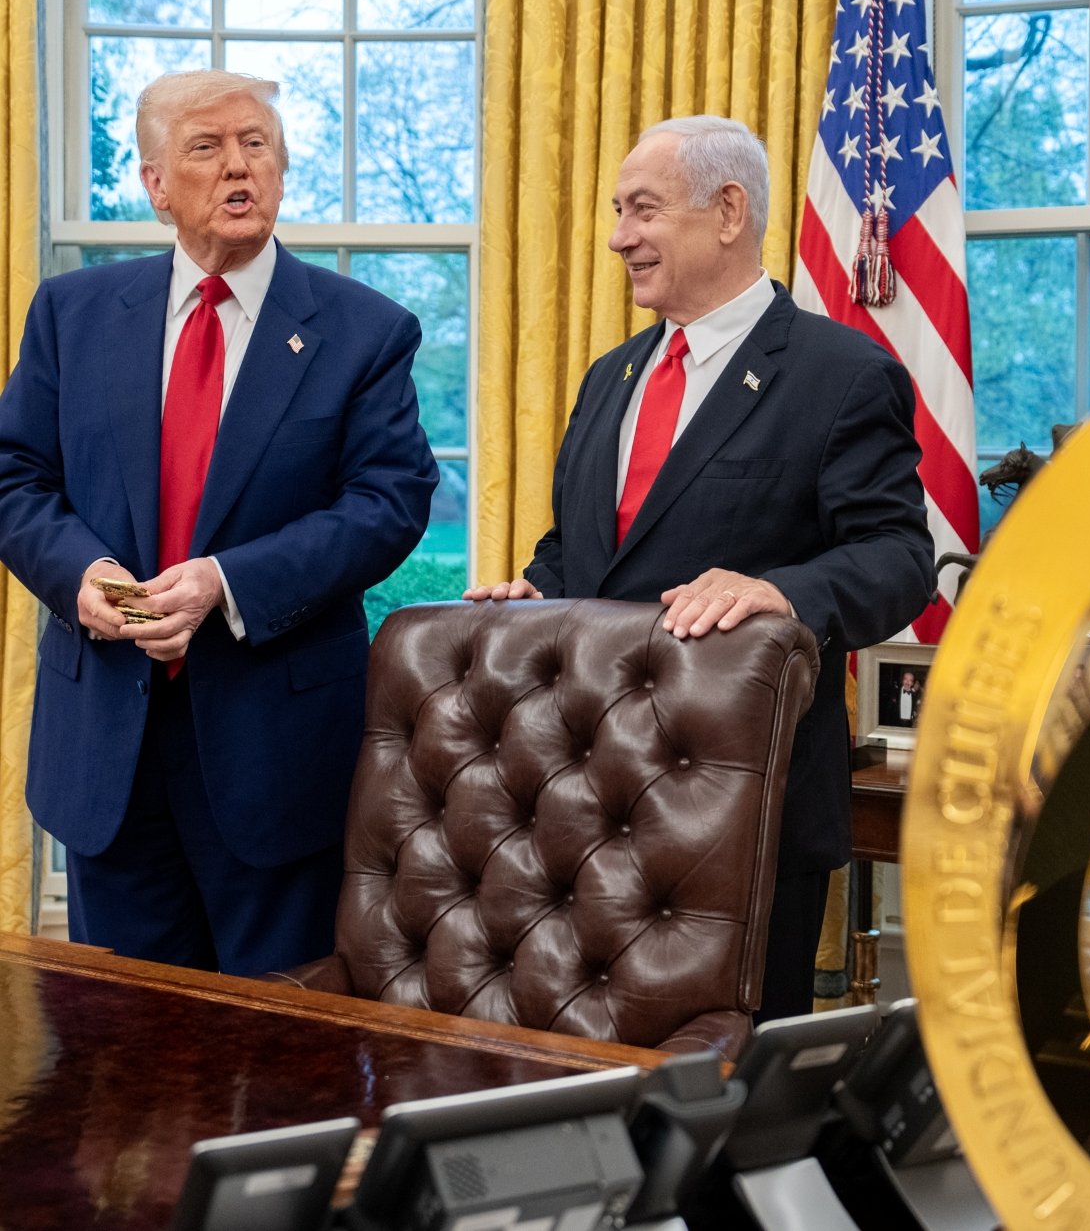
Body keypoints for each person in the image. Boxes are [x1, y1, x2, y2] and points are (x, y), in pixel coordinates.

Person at [464, 115, 935, 1020]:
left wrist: (780, 591)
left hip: (740, 806)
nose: (618, 237)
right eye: (617, 211)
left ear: (727, 212)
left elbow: (898, 557)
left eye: (641, 210)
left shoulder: (840, 373)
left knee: (728, 1078)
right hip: (585, 795)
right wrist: (532, 595)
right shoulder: (609, 377)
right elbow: (577, 549)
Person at [0, 70, 438, 974]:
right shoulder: (72, 315)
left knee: (279, 1038)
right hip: (107, 747)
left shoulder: (365, 330)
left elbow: (388, 500)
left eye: (256, 144)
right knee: (122, 1039)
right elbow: (16, 476)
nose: (239, 166)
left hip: (276, 752)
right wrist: (80, 576)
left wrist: (226, 584)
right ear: (156, 183)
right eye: (207, 147)